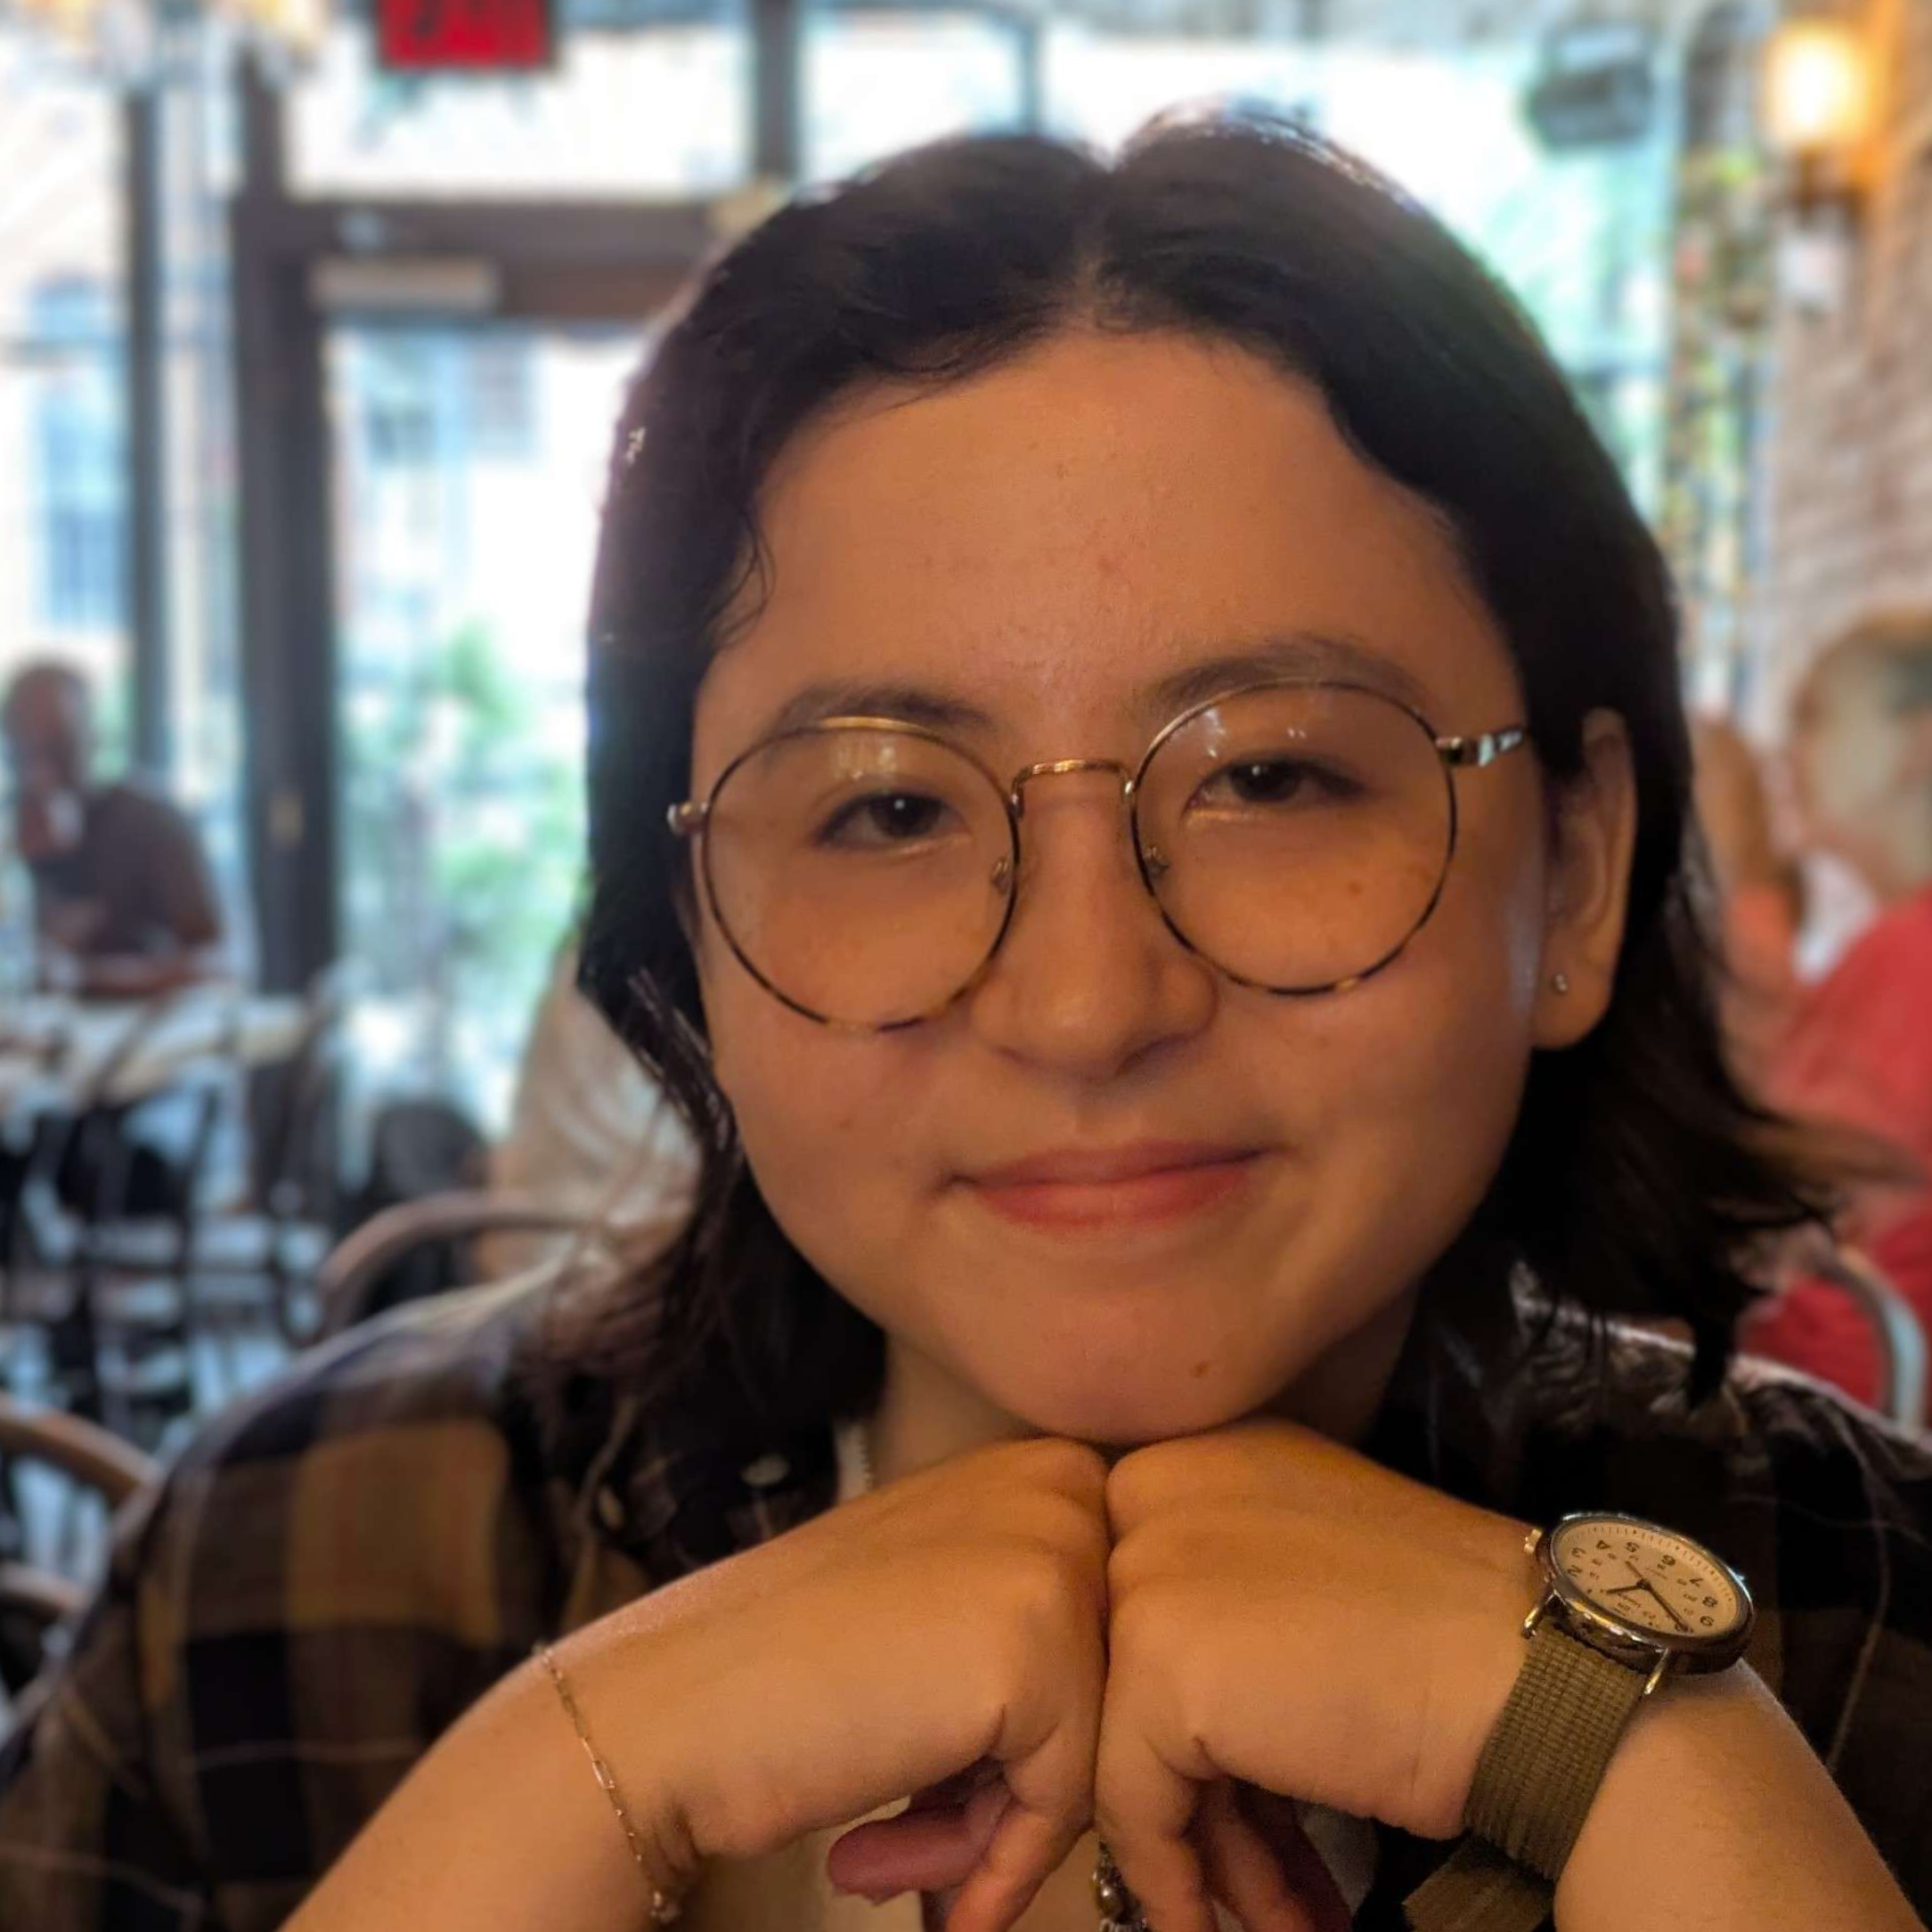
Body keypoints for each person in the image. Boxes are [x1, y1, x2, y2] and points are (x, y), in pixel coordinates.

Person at [3, 120, 1929, 1932]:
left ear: (1573, 870)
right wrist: (546, 1785)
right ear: (686, 918)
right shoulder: (301, 1571)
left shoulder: (1863, 1611)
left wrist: (1641, 1761)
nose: (1083, 1006)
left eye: (1267, 777)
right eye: (886, 809)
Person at [1716, 618, 1932, 1409]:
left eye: (1814, 716)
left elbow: (1783, 1209)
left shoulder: (1910, 957)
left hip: (1828, 1394)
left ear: (1918, 742)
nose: (1784, 753)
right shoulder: (1893, 942)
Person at [1, 661, 227, 1001]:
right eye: (23, 749)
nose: (38, 769)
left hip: (144, 1027)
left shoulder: (151, 821)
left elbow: (221, 961)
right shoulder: (9, 832)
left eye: (57, 747)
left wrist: (87, 977)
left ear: (93, 738)